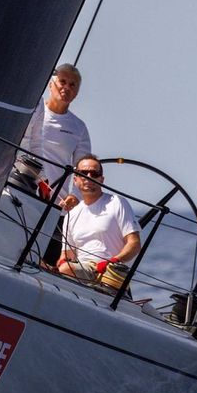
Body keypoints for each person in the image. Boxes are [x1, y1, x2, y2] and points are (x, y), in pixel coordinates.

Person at [50, 154, 141, 282]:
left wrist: (113, 261)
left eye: (94, 174)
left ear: (101, 179)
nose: (89, 177)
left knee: (66, 269)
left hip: (109, 272)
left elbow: (134, 243)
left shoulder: (117, 202)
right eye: (83, 173)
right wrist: (59, 264)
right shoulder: (71, 215)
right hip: (82, 270)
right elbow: (66, 255)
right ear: (75, 180)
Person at [21, 63, 91, 207]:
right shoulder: (34, 110)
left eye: (72, 85)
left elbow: (83, 168)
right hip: (21, 185)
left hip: (55, 202)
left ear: (76, 93)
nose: (66, 88)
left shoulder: (79, 127)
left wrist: (76, 195)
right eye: (62, 82)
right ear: (50, 85)